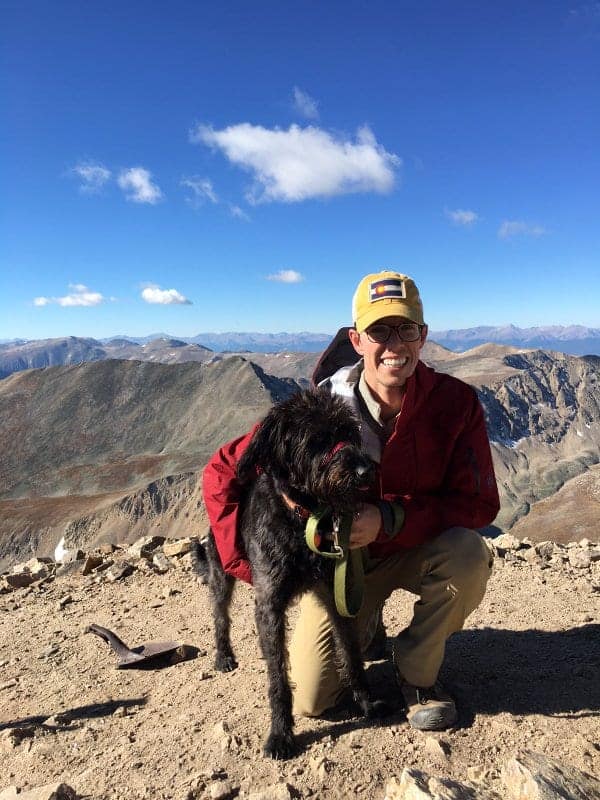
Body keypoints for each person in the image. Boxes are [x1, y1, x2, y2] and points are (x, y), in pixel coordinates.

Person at [202, 270, 499, 731]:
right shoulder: (322, 407)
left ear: (423, 337)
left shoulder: (456, 404)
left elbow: (480, 506)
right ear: (357, 340)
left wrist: (389, 518)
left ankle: (416, 673)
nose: (394, 344)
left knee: (468, 555)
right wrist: (245, 566)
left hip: (415, 547)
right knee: (312, 701)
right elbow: (223, 470)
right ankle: (368, 622)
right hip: (343, 567)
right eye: (379, 330)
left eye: (406, 329)